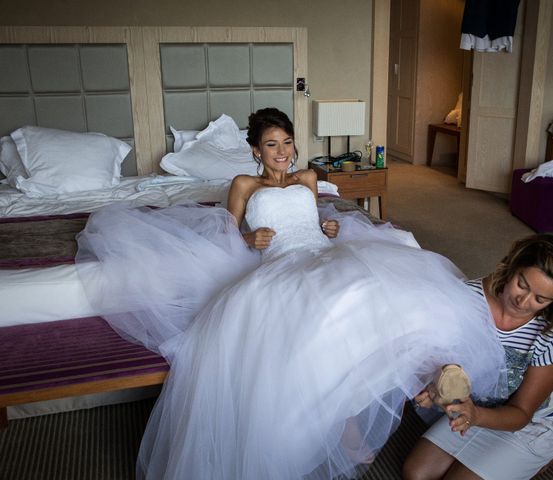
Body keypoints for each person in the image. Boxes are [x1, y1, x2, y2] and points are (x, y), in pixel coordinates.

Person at [76, 108, 509, 480]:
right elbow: (226, 234)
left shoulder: (308, 177)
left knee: (375, 289)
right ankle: (352, 421)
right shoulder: (244, 185)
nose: (282, 152)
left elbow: (317, 217)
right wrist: (250, 241)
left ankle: (435, 375)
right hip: (281, 262)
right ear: (254, 151)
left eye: (286, 142)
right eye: (271, 145)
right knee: (317, 318)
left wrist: (330, 227)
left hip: (323, 252)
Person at [403, 234, 553, 480]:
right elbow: (445, 358)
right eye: (522, 284)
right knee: (415, 474)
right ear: (512, 266)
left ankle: (543, 455)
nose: (522, 301)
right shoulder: (468, 297)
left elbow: (522, 413)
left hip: (533, 422)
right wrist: (431, 385)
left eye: (540, 299)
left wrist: (475, 416)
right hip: (483, 405)